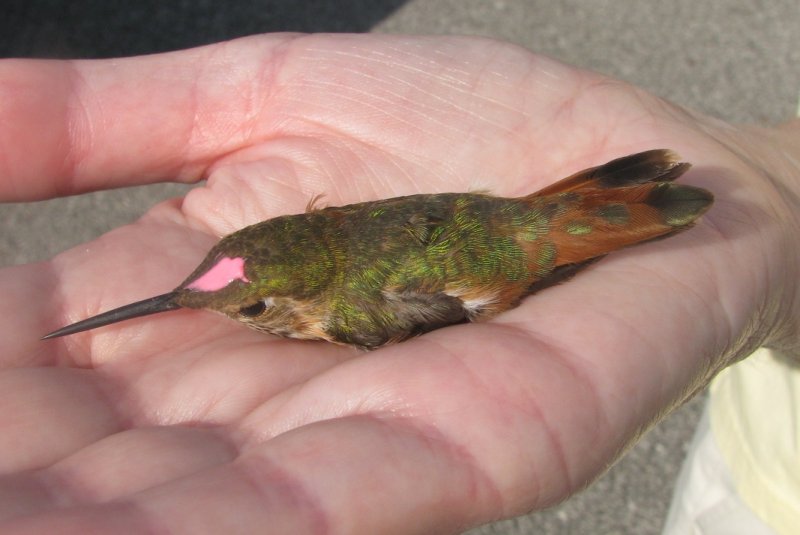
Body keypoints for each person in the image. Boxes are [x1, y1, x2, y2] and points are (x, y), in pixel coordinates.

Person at [0, 33, 797, 533]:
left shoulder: (348, 313)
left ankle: (613, 211)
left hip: (497, 261)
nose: (233, 311)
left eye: (250, 307)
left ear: (300, 297)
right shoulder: (328, 234)